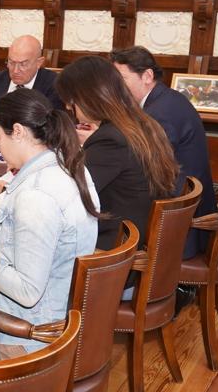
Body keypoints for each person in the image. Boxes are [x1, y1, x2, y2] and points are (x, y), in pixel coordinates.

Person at [0, 89, 101, 350]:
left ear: (19, 131)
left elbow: (27, 290)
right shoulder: (66, 165)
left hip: (23, 339)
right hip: (53, 316)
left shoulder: (36, 195)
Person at [56, 56, 179, 250]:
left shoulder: (111, 139)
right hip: (135, 234)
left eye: (72, 101)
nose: (69, 108)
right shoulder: (142, 123)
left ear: (88, 97)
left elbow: (70, 195)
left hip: (114, 248)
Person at [110, 45, 217, 257]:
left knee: (112, 201)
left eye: (121, 80)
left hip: (180, 223)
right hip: (185, 206)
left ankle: (116, 277)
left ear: (147, 76)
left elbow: (145, 166)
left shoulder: (160, 112)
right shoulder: (165, 99)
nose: (116, 88)